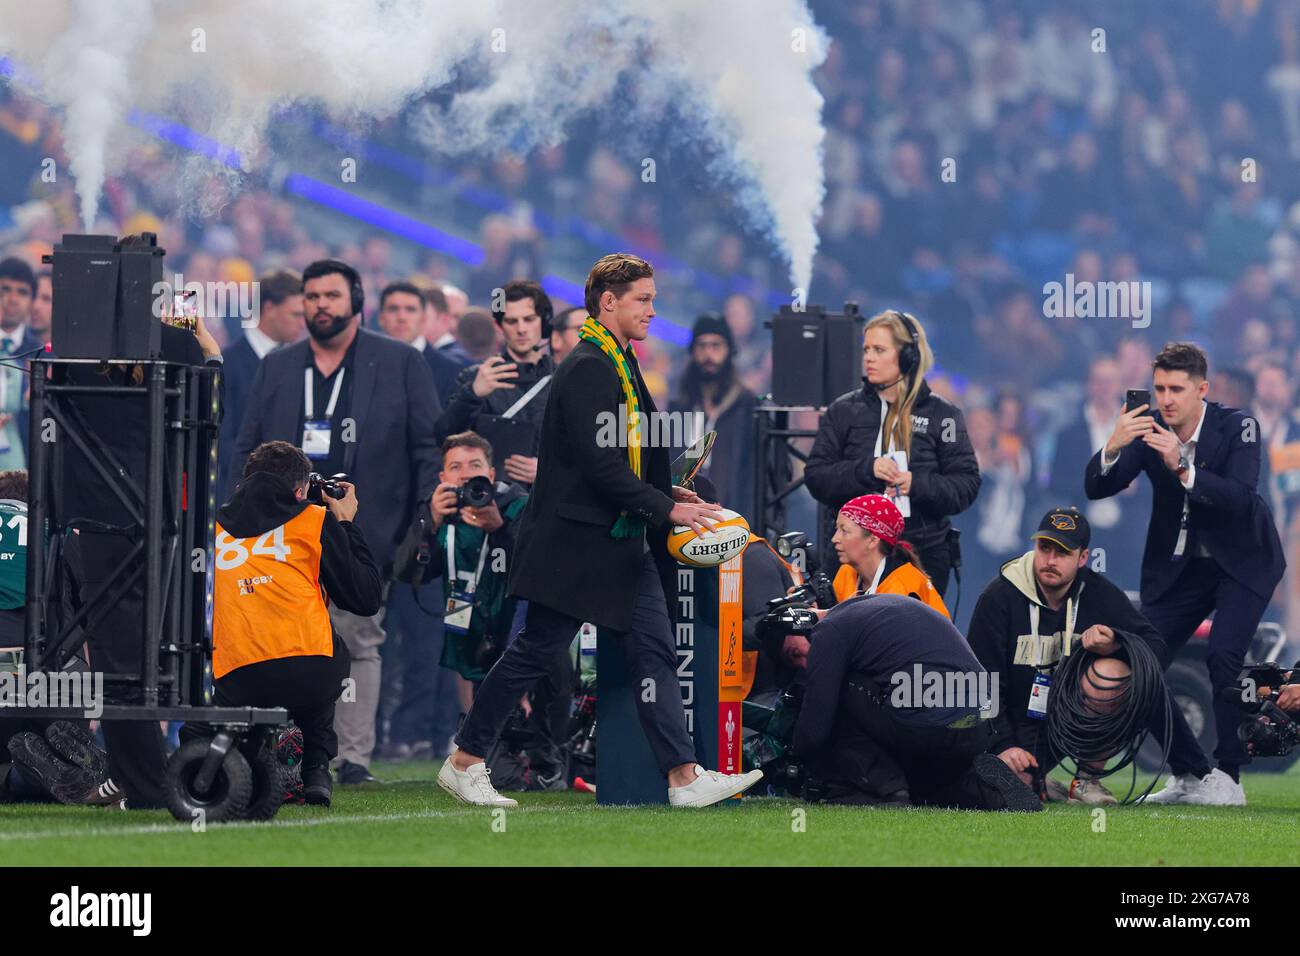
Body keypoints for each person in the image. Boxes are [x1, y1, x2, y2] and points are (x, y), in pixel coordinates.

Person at [437, 252, 763, 807]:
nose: (653, 311)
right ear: (609, 302)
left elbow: (627, 452)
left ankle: (683, 777)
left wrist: (668, 491)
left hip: (613, 543)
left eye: (653, 299)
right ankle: (465, 761)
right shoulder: (591, 364)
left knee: (654, 652)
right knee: (536, 650)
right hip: (577, 545)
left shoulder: (617, 359)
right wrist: (667, 510)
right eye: (644, 299)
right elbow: (600, 465)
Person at [232, 259, 442, 785]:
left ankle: (351, 758)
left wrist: (419, 524)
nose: (319, 304)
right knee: (281, 638)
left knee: (358, 638)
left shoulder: (398, 361)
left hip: (364, 527)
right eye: (311, 296)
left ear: (355, 301)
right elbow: (245, 441)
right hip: (278, 533)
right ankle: (284, 751)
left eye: (330, 295)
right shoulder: (279, 365)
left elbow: (424, 449)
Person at [1084, 341, 1285, 804]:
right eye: (1160, 389)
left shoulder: (1240, 427)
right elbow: (1096, 488)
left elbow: (1239, 498)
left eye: (1177, 388)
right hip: (1181, 570)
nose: (1166, 399)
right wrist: (1113, 445)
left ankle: (1230, 779)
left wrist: (1182, 464)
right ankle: (1192, 773)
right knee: (1141, 662)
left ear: (1203, 390)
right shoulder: (1148, 429)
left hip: (1243, 561)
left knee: (1223, 657)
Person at [966, 506, 1231, 804]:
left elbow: (1155, 649)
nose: (1050, 561)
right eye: (1044, 548)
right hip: (1011, 724)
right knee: (1009, 787)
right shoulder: (998, 597)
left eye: (1063, 552)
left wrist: (1116, 644)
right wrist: (1004, 746)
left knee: (1113, 674)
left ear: (1082, 558)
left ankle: (1087, 780)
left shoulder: (1099, 594)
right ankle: (1039, 780)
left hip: (1066, 723)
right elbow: (981, 682)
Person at [200, 441, 383, 807]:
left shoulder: (211, 526)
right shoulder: (314, 520)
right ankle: (315, 767)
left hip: (234, 675)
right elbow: (365, 599)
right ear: (300, 491)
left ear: (243, 484)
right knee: (330, 644)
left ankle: (254, 752)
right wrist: (345, 523)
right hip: (309, 670)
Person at [791, 592, 1040, 811]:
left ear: (805, 623)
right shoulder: (880, 607)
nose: (803, 665)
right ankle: (985, 789)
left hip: (931, 716)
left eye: (795, 653)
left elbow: (815, 727)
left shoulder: (830, 628)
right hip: (978, 724)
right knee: (928, 786)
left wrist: (796, 759)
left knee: (836, 691)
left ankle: (885, 788)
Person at [805, 310, 980, 596]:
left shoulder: (944, 416)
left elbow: (966, 484)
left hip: (922, 555)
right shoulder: (843, 411)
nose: (868, 358)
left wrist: (916, 483)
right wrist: (867, 469)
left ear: (908, 356)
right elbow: (816, 476)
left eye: (879, 350)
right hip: (849, 558)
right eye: (866, 350)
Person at [435, 279, 555, 488]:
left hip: (545, 503)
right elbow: (443, 439)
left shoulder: (565, 379)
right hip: (485, 499)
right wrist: (473, 394)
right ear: (498, 326)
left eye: (529, 319)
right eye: (511, 321)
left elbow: (585, 450)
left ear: (543, 323)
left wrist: (549, 470)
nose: (521, 329)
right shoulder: (474, 377)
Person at [218, 270, 304, 501]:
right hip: (243, 497)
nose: (302, 323)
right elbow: (224, 440)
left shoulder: (300, 364)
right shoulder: (228, 364)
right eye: (295, 314)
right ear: (269, 309)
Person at [668, 314, 758, 525]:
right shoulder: (679, 407)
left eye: (716, 346)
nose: (709, 354)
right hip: (685, 515)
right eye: (702, 346)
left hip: (733, 515)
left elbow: (754, 476)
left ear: (729, 350)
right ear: (693, 351)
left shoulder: (747, 407)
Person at [828, 494, 948, 615]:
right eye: (837, 529)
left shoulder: (901, 587)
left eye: (844, 531)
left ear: (873, 540)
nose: (835, 538)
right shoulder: (846, 573)